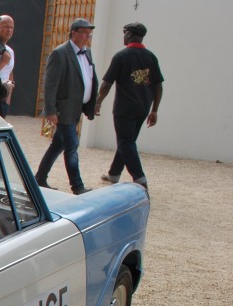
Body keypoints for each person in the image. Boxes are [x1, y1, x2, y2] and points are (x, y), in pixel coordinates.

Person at [95, 22, 163, 189]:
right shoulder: (151, 57)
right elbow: (158, 86)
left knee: (125, 142)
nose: (123, 36)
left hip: (124, 109)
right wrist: (154, 110)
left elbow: (106, 83)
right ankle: (114, 174)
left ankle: (140, 179)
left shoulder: (121, 56)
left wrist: (98, 102)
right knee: (128, 141)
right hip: (143, 108)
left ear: (130, 35)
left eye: (124, 32)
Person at [34, 18, 99, 195]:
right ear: (73, 33)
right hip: (63, 110)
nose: (88, 36)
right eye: (84, 32)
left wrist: (93, 104)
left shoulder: (87, 53)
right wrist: (50, 110)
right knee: (72, 145)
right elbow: (50, 84)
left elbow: (90, 78)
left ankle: (39, 178)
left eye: (89, 33)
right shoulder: (60, 53)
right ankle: (77, 186)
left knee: (58, 144)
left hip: (76, 108)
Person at [0, 15, 15, 117]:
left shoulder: (10, 51)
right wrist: (3, 62)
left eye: (11, 27)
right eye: (5, 26)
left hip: (4, 98)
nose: (9, 30)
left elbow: (10, 72)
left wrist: (9, 96)